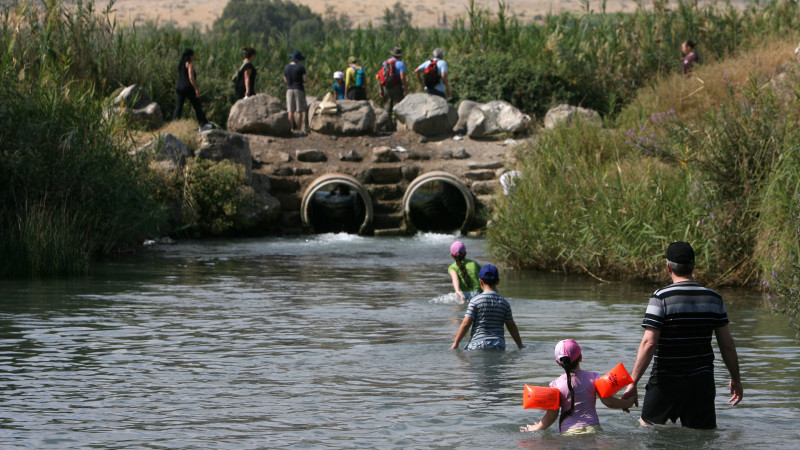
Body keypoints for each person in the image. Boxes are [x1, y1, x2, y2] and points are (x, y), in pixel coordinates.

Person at [621, 241, 743, 429]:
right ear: (693, 266)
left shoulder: (660, 297)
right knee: (702, 438)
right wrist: (736, 379)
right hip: (701, 381)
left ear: (668, 267)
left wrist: (633, 381)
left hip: (666, 380)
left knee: (647, 430)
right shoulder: (714, 298)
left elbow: (649, 344)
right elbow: (726, 344)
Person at [520, 339, 635, 434]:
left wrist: (535, 428)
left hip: (569, 433)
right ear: (580, 357)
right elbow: (608, 402)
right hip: (593, 429)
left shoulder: (556, 385)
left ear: (558, 362)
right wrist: (627, 403)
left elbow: (551, 415)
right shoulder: (593, 378)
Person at [450, 265, 524, 351]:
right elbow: (511, 326)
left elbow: (466, 324)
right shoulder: (504, 303)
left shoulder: (475, 301)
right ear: (498, 282)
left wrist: (456, 343)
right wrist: (520, 345)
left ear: (480, 282)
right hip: (498, 345)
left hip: (478, 344)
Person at [172, 48, 211, 132]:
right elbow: (191, 78)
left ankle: (174, 125)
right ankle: (203, 125)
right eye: (192, 55)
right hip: (188, 88)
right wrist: (196, 89)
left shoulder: (181, 64)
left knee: (178, 108)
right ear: (190, 56)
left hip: (179, 87)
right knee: (197, 106)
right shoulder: (190, 64)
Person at [378, 47, 408, 124]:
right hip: (396, 87)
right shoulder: (401, 64)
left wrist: (380, 89)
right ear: (400, 56)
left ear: (392, 54)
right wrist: (406, 89)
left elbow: (380, 76)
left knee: (387, 108)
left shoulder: (385, 63)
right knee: (398, 107)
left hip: (386, 87)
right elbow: (402, 77)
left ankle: (386, 126)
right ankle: (397, 126)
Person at [284, 50, 309, 134]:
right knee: (299, 110)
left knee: (290, 111)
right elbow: (305, 80)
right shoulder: (301, 68)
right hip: (299, 89)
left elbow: (285, 80)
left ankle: (291, 128)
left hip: (289, 89)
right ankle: (298, 128)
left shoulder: (287, 67)